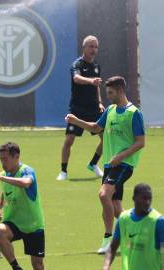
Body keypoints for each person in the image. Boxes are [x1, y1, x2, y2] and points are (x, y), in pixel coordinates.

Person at [65, 76, 145, 254]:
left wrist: (121, 156)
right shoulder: (110, 110)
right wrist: (76, 121)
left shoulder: (134, 113)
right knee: (116, 206)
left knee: (103, 195)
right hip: (110, 164)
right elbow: (95, 128)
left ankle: (109, 239)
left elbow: (140, 142)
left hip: (124, 164)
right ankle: (133, 234)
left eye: (110, 92)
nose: (107, 96)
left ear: (120, 91)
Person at [0, 142, 50, 270]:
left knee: (38, 266)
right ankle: (16, 268)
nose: (3, 163)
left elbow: (26, 183)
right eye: (0, 159)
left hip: (33, 225)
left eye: (6, 159)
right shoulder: (4, 175)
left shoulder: (27, 171)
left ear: (16, 157)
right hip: (13, 222)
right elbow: (4, 190)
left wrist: (1, 177)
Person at [57, 35, 105, 181]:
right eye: (91, 46)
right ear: (84, 48)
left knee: (106, 139)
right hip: (77, 109)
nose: (93, 49)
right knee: (69, 140)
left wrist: (100, 102)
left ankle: (93, 164)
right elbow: (76, 79)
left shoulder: (96, 67)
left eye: (96, 47)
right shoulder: (77, 64)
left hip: (93, 109)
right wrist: (91, 81)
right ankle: (63, 171)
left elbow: (96, 87)